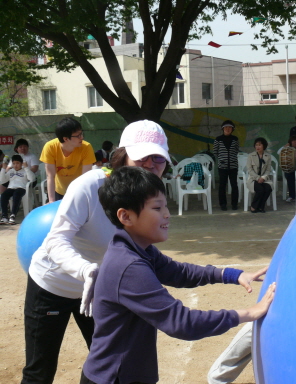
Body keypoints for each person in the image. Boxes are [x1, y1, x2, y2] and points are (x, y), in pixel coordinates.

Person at [80, 167, 275, 384]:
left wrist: (232, 274)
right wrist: (249, 312)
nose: (167, 214)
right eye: (157, 208)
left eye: (165, 206)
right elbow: (181, 322)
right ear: (125, 216)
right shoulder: (128, 266)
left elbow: (180, 273)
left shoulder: (138, 249)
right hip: (114, 378)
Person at [21, 120, 171, 384]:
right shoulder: (90, 186)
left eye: (158, 158)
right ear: (123, 156)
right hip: (53, 285)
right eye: (142, 157)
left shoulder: (152, 195)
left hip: (99, 291)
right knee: (39, 372)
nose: (150, 164)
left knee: (110, 366)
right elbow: (57, 239)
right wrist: (85, 269)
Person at [39, 117, 96, 202]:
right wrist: (51, 201)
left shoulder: (86, 147)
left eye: (82, 134)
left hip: (79, 192)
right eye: (78, 135)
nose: (82, 137)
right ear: (65, 139)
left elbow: (85, 178)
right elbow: (50, 176)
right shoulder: (50, 147)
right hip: (59, 191)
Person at [0, 154, 35, 224]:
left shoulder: (25, 170)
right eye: (14, 163)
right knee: (3, 195)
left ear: (21, 163)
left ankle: (13, 215)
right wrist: (3, 169)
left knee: (16, 195)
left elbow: (32, 179)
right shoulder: (10, 171)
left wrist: (26, 167)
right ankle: (4, 216)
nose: (15, 165)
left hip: (21, 188)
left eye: (17, 163)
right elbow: (2, 180)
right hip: (11, 188)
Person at [214, 120, 239, 211]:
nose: (227, 129)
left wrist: (231, 159)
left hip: (233, 166)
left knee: (234, 185)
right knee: (222, 186)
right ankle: (223, 204)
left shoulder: (235, 139)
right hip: (222, 167)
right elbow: (215, 152)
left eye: (229, 127)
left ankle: (234, 204)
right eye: (226, 127)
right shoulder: (218, 139)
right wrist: (222, 159)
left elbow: (236, 150)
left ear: (232, 129)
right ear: (223, 129)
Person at [246, 137, 273, 213]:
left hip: (264, 179)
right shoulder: (251, 156)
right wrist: (258, 178)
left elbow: (268, 170)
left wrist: (263, 178)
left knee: (268, 188)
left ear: (264, 146)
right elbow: (249, 169)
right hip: (253, 179)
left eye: (259, 145)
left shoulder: (268, 156)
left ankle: (261, 206)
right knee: (260, 190)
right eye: (256, 145)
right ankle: (254, 206)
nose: (257, 147)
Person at [278, 135, 296, 203]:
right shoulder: (286, 150)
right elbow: (279, 152)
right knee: (290, 176)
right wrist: (285, 146)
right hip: (291, 170)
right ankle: (292, 196)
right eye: (294, 141)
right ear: (290, 142)